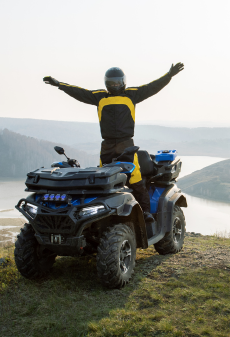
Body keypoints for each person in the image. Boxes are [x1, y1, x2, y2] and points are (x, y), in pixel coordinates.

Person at [43, 63, 184, 223]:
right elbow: (79, 92)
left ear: (123, 81)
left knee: (135, 178)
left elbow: (152, 87)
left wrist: (168, 75)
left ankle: (145, 213)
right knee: (103, 180)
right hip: (107, 146)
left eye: (117, 82)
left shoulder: (132, 94)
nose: (115, 85)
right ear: (106, 83)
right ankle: (103, 215)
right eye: (111, 83)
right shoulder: (100, 97)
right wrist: (60, 85)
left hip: (127, 145)